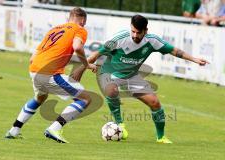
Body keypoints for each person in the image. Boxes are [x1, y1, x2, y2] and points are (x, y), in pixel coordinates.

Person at [71, 15, 209, 144]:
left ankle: (161, 137)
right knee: (111, 90)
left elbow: (175, 51)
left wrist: (195, 59)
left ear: (145, 31)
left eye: (138, 32)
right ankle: (120, 124)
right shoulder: (119, 39)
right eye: (133, 31)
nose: (135, 35)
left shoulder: (152, 41)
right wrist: (80, 69)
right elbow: (95, 55)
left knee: (155, 103)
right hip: (109, 73)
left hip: (131, 76)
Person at [5, 7, 97, 143]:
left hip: (34, 70)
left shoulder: (54, 29)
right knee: (85, 99)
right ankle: (54, 128)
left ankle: (14, 130)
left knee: (39, 98)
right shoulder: (80, 29)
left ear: (69, 18)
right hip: (50, 73)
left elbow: (33, 57)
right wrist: (87, 64)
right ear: (83, 20)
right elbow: (77, 47)